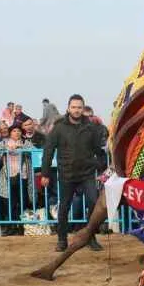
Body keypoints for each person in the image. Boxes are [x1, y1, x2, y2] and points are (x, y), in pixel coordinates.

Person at [41, 94, 106, 252]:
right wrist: (45, 174)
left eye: (79, 107)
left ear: (83, 109)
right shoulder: (59, 127)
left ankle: (90, 238)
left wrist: (101, 169)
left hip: (87, 174)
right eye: (74, 107)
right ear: (68, 108)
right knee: (64, 207)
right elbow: (48, 151)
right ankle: (62, 240)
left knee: (93, 203)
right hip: (67, 174)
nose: (76, 110)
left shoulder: (91, 127)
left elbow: (99, 151)